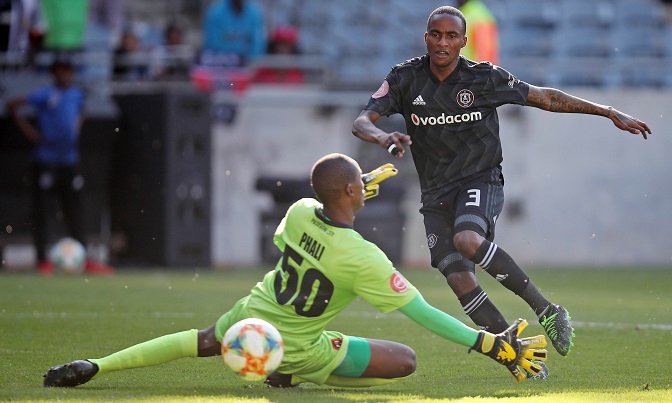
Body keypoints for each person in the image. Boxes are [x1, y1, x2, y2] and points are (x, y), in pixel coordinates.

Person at [42, 153, 548, 389]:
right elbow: (422, 313)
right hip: (298, 343)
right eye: (358, 186)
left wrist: (355, 183)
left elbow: (323, 204)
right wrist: (488, 342)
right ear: (353, 194)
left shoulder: (301, 210)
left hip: (254, 312)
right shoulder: (364, 257)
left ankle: (96, 366)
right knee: (405, 361)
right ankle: (288, 367)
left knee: (199, 340)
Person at [352, 6, 652, 358]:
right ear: (426, 38)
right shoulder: (405, 78)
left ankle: (547, 311)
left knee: (467, 239)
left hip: (480, 178)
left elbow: (545, 97)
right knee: (459, 278)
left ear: (464, 41)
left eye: (451, 36)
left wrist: (608, 111)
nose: (443, 42)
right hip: (435, 192)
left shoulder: (483, 78)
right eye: (436, 34)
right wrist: (383, 137)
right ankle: (516, 353)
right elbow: (362, 120)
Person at [5, 58, 114, 276]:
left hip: (69, 160)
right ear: (54, 74)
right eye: (60, 72)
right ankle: (43, 259)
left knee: (75, 209)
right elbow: (12, 106)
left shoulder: (76, 94)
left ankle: (83, 258)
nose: (64, 76)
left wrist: (75, 128)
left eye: (68, 71)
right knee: (43, 209)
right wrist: (32, 134)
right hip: (46, 159)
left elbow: (81, 110)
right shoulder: (45, 94)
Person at [201, 0, 266, 66]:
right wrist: (234, 58)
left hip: (249, 65)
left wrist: (247, 59)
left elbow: (258, 45)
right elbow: (212, 44)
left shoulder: (255, 14)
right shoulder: (215, 13)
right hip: (220, 65)